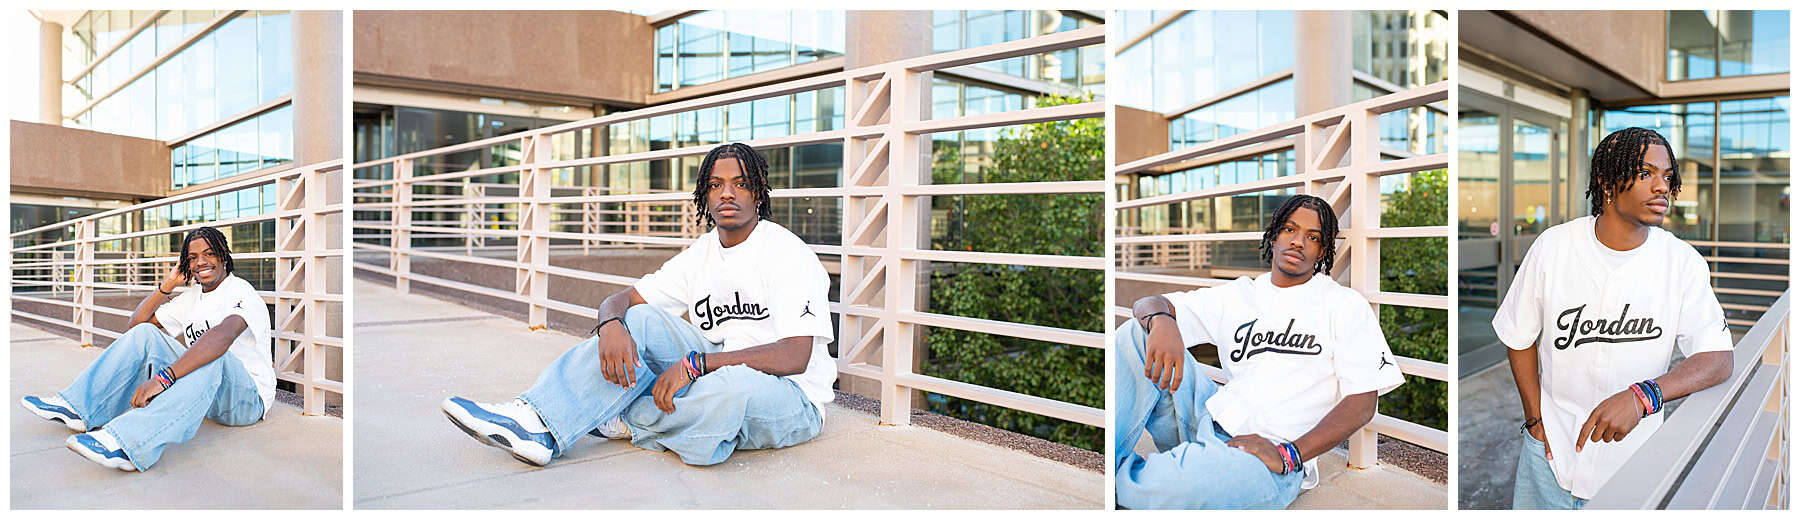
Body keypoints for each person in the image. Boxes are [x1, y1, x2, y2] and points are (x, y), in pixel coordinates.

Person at [442, 142, 835, 467]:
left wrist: (696, 365)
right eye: (716, 185)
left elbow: (794, 356)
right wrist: (611, 326)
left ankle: (621, 416)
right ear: (705, 193)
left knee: (733, 391)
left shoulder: (786, 254)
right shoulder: (701, 254)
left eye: (739, 183)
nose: (726, 193)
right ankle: (536, 420)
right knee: (642, 318)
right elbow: (623, 300)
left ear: (758, 188)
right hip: (719, 363)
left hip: (792, 396)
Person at [1114, 194, 1405, 509]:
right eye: (1290, 230)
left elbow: (1362, 403)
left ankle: (1139, 480)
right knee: (1136, 333)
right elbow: (1148, 304)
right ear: (1275, 234)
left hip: (1271, 456)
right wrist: (1162, 320)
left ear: (1323, 250)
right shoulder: (1240, 294)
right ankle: (1126, 472)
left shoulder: (1344, 305)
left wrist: (1289, 454)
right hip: (1205, 418)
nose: (1298, 242)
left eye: (1312, 237)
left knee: (1185, 489)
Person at [1497, 127, 1733, 509]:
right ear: (1607, 182)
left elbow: (1718, 358)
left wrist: (1644, 396)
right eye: (1645, 173)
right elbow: (1518, 336)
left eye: (1667, 176)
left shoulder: (1681, 262)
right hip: (1549, 459)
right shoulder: (1554, 247)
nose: (1662, 188)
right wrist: (1536, 424)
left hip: (1633, 466)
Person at [21, 226, 274, 471]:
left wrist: (165, 379)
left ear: (224, 256)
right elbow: (136, 326)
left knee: (212, 354)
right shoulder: (191, 298)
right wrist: (168, 285)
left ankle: (126, 443)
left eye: (209, 253)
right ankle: (78, 407)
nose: (201, 262)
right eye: (192, 257)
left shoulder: (241, 291)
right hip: (207, 392)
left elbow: (222, 336)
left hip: (247, 400)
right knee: (146, 333)